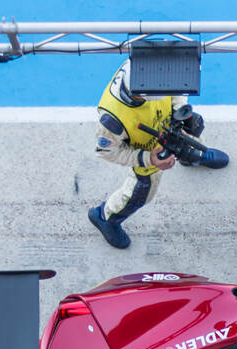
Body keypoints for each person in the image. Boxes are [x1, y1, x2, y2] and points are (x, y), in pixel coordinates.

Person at [89, 60, 229, 249]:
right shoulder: (111, 121)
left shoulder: (149, 65)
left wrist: (180, 111)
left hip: (167, 125)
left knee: (192, 132)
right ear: (141, 95)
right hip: (148, 151)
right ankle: (106, 217)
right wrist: (147, 159)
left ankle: (191, 157)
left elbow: (176, 90)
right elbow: (107, 152)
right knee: (140, 195)